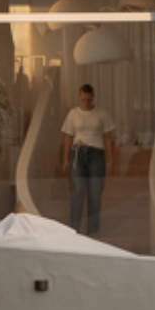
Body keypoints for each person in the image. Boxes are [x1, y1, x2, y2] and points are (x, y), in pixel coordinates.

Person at [60, 83, 116, 236]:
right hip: (78, 153)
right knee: (77, 192)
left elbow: (108, 139)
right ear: (80, 98)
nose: (86, 103)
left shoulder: (101, 113)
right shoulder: (73, 114)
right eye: (83, 99)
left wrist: (110, 160)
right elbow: (68, 137)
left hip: (96, 154)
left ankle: (93, 229)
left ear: (93, 98)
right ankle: (74, 229)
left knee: (95, 193)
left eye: (89, 100)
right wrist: (65, 160)